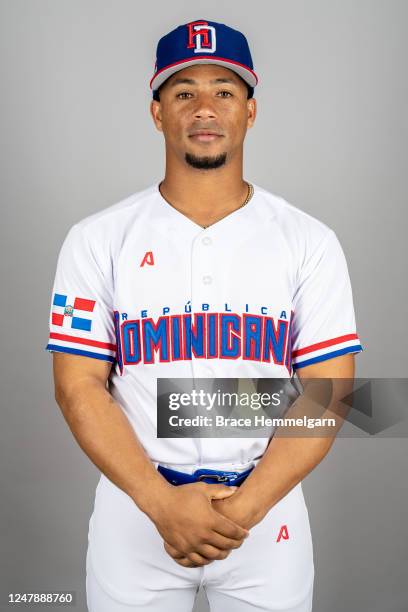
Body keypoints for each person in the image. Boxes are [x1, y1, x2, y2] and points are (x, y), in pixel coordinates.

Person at [45, 19, 364, 612]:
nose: (205, 108)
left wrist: (244, 511)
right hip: (135, 508)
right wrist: (162, 505)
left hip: (267, 511)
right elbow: (77, 387)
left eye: (224, 90)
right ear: (157, 113)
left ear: (250, 110)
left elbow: (328, 391)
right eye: (183, 91)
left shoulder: (308, 241)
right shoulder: (96, 239)